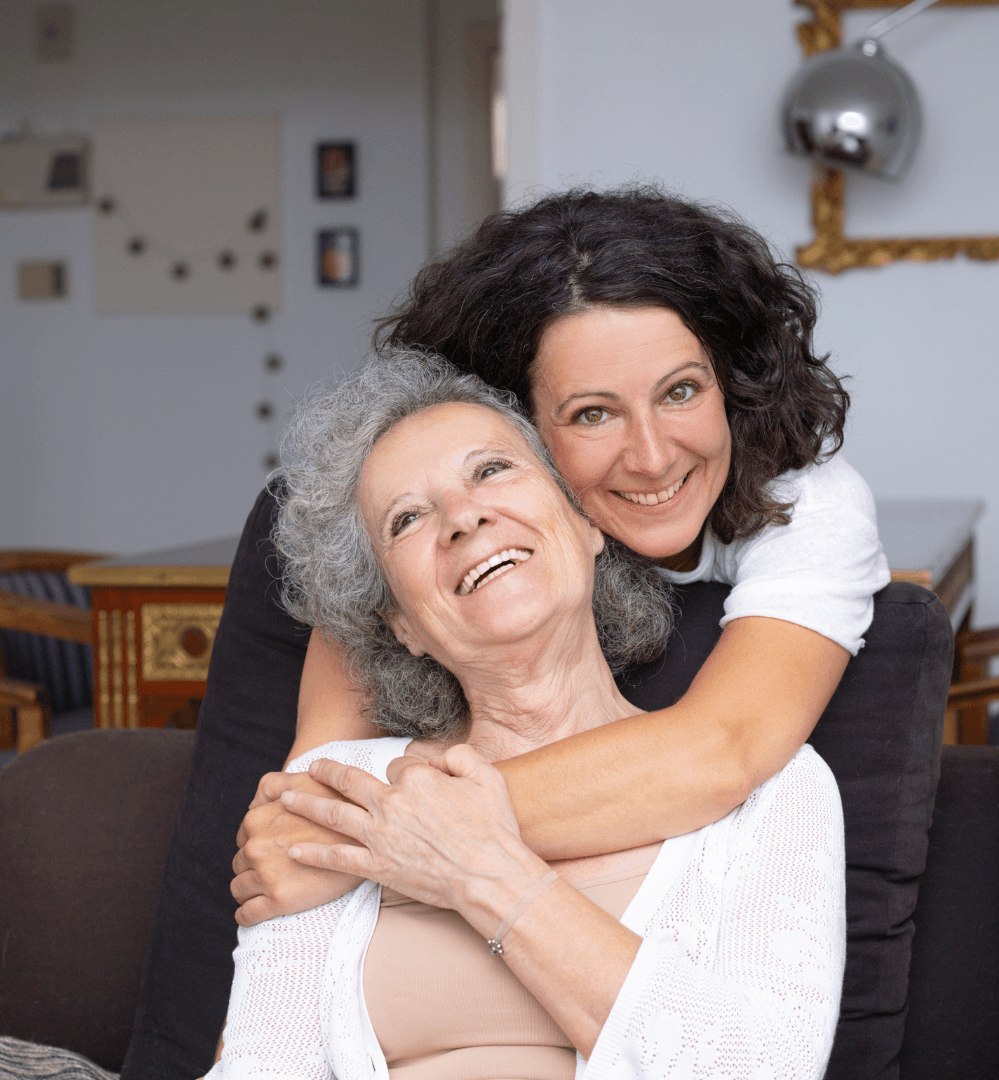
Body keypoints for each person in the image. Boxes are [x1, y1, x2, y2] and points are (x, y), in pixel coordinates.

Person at [233, 186, 888, 926]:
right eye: (593, 413)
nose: (651, 456)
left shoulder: (812, 505)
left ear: (729, 381)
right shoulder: (441, 538)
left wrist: (380, 842)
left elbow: (720, 751)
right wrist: (325, 833)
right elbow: (306, 802)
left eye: (680, 391)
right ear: (518, 427)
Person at [206, 349, 846, 1080]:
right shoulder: (341, 797)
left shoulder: (772, 788)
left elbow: (767, 1065)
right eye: (407, 518)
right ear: (400, 623)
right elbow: (260, 1066)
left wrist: (484, 874)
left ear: (587, 524)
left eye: (491, 470)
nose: (463, 517)